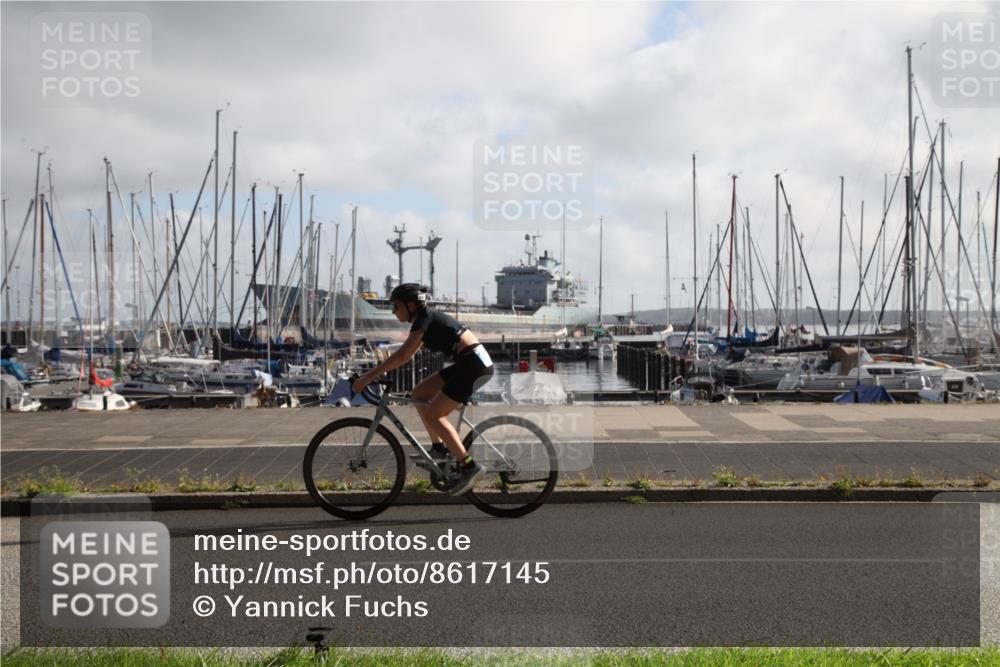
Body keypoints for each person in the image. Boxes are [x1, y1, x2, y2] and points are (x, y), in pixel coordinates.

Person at [352, 283, 494, 495]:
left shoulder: (424, 319)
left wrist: (368, 376)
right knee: (419, 394)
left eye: (396, 306)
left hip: (474, 366)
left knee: (435, 415)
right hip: (468, 362)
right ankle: (439, 450)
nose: (393, 311)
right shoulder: (423, 319)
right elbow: (405, 356)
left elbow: (403, 356)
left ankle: (469, 466)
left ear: (410, 305)